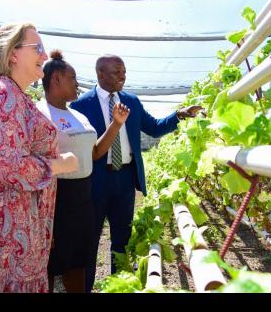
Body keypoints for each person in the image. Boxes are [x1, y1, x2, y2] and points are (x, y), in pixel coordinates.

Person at [0, 23, 79, 293]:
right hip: (3, 234)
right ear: (13, 53)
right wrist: (61, 164)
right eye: (37, 47)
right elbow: (9, 165)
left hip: (15, 228)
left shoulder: (13, 94)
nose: (45, 55)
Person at [70, 54, 203, 292]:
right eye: (116, 72)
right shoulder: (81, 106)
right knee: (90, 242)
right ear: (100, 73)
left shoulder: (132, 101)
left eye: (124, 71)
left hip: (125, 179)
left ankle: (119, 287)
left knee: (122, 241)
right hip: (96, 180)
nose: (123, 76)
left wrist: (180, 115)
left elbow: (154, 128)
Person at [37, 50, 130, 293]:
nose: (77, 84)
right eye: (72, 78)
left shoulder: (77, 115)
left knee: (81, 259)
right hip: (57, 198)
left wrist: (116, 124)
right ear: (56, 79)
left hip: (84, 197)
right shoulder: (39, 114)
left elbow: (95, 152)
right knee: (52, 264)